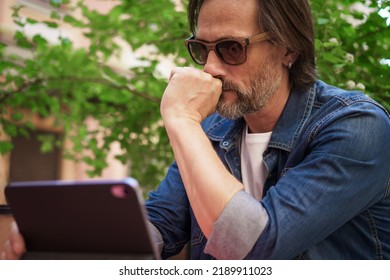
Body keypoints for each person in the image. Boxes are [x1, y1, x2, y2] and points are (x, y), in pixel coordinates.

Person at [2, 0, 390, 260]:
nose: (211, 69)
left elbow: (255, 247)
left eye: (231, 48)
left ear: (288, 48)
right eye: (201, 49)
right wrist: (66, 238)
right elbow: (161, 223)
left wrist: (182, 120)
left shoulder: (357, 126)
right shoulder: (216, 129)